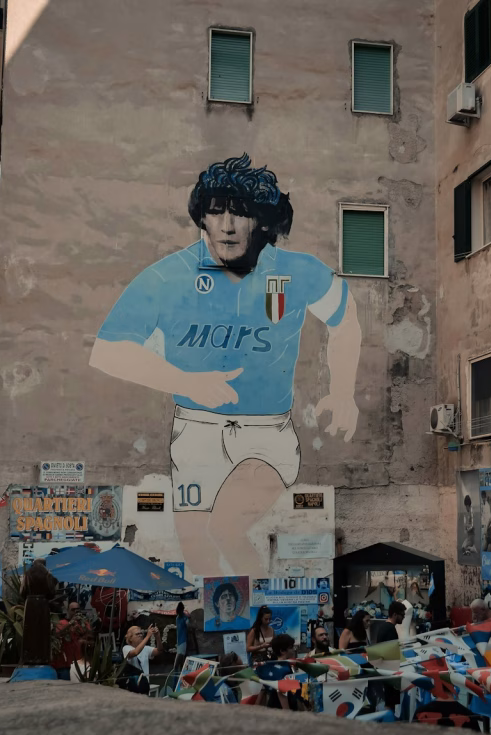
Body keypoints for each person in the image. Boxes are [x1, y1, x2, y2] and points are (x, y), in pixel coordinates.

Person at [91, 154, 362, 577]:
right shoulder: (168, 277)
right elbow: (108, 349)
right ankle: (220, 633)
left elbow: (346, 319)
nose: (229, 225)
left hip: (266, 433)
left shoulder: (296, 271)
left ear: (262, 221)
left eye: (242, 213)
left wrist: (343, 391)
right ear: (202, 218)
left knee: (225, 530)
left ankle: (257, 622)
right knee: (198, 554)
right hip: (195, 430)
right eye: (217, 211)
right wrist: (184, 381)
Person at [51, 602, 89, 681]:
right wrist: (71, 623)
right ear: (68, 611)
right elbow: (57, 633)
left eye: (77, 610)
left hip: (79, 664)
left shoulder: (84, 623)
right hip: (64, 665)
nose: (75, 612)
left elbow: (90, 636)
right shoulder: (62, 622)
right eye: (73, 610)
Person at [121, 624, 161, 694]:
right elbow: (136, 652)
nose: (140, 635)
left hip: (144, 684)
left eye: (141, 633)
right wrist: (148, 636)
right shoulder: (126, 648)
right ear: (130, 638)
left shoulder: (145, 648)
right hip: (133, 685)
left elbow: (159, 651)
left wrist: (157, 637)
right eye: (137, 634)